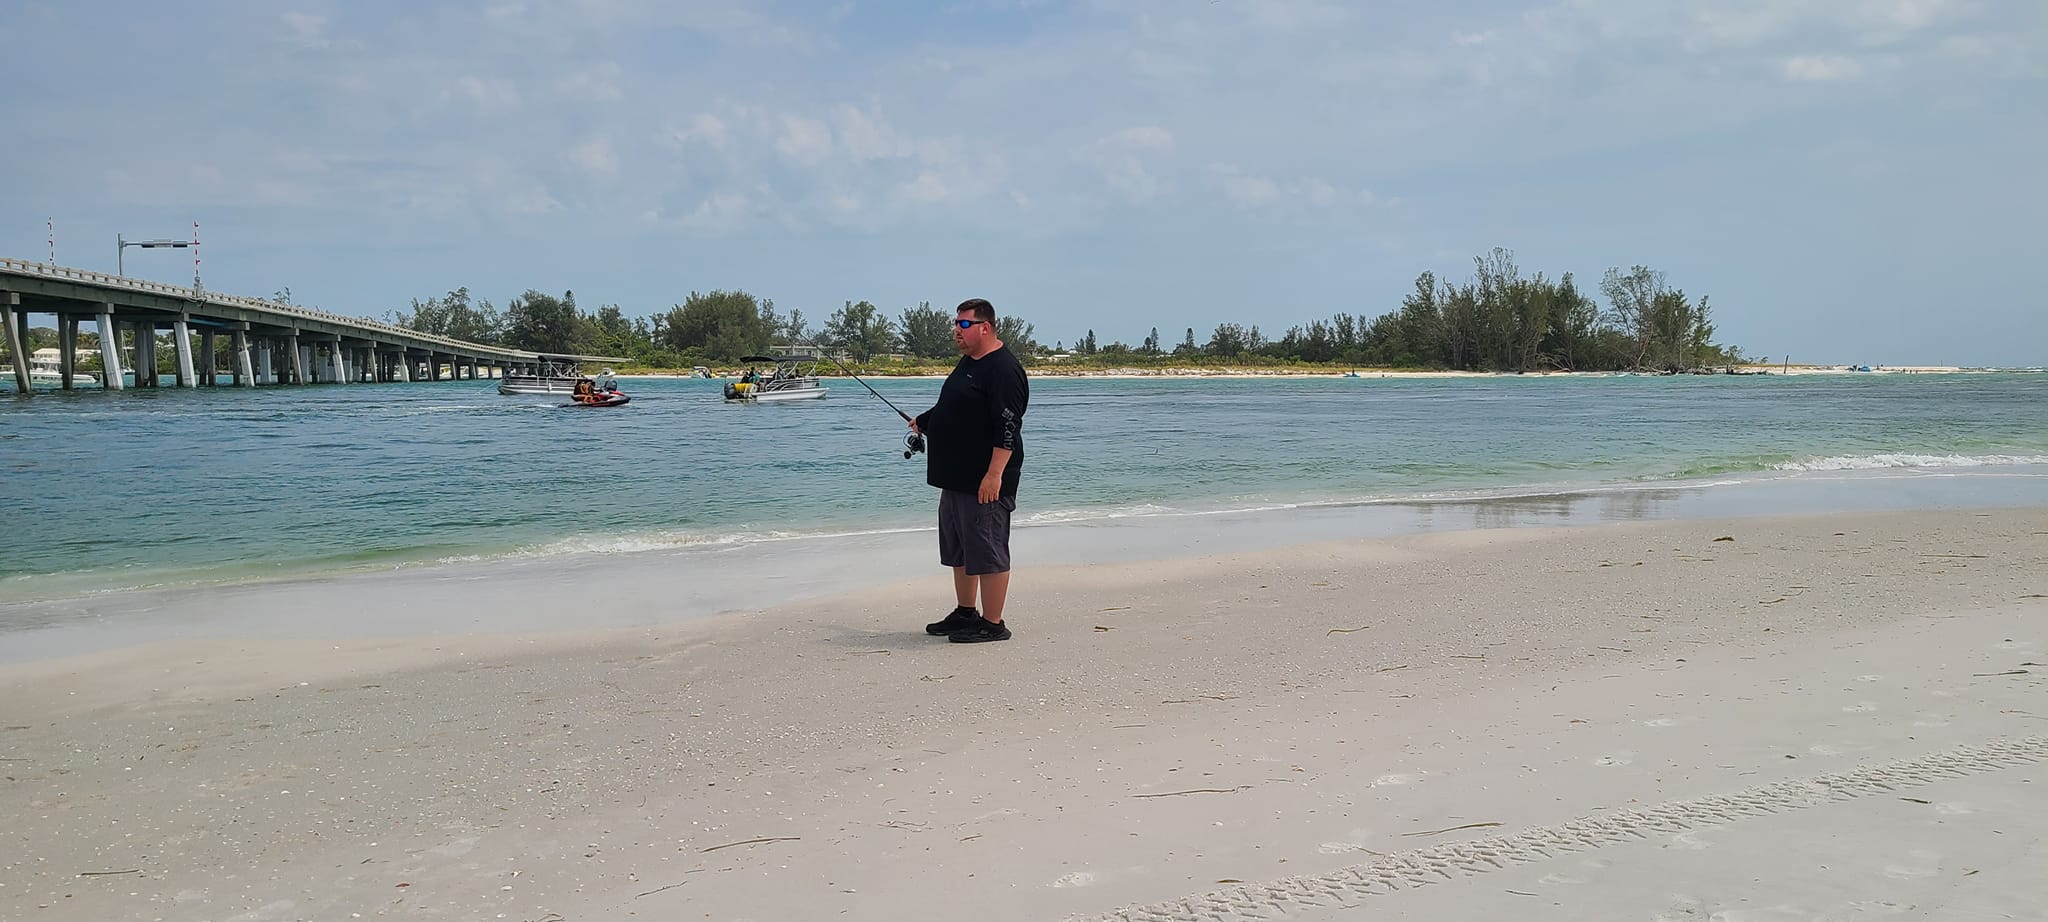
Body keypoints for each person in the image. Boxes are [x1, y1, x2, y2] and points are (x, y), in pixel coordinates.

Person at [913, 298, 1029, 643]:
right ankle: (966, 612)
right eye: (956, 323)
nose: (956, 331)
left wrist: (994, 476)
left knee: (987, 549)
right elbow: (954, 407)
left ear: (985, 327)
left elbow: (1007, 428)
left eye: (963, 325)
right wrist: (925, 421)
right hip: (956, 478)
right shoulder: (968, 363)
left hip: (985, 480)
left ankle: (993, 624)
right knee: (960, 548)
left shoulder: (1004, 370)